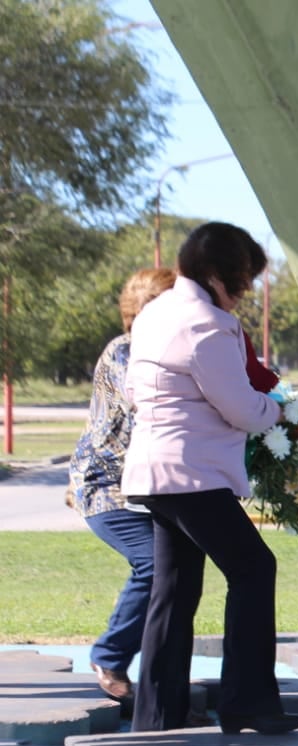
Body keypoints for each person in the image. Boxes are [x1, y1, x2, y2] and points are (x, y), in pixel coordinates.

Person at [123, 221, 298, 735]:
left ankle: (156, 715)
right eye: (243, 280)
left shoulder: (154, 312)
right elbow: (243, 408)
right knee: (253, 568)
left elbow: (138, 391)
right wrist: (281, 413)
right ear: (217, 274)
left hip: (153, 469)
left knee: (174, 589)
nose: (245, 293)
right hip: (192, 473)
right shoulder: (208, 324)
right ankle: (247, 704)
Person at [69, 268, 177, 703]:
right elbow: (147, 403)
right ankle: (110, 657)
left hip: (146, 486)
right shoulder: (126, 352)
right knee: (154, 564)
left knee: (177, 572)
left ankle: (159, 686)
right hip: (106, 488)